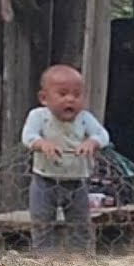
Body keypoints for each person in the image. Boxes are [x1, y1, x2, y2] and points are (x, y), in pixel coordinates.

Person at [21, 64, 111, 253]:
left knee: (79, 223)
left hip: (77, 181)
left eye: (77, 95)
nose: (70, 99)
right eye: (62, 94)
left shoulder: (84, 118)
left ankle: (79, 258)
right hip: (44, 180)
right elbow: (28, 136)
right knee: (42, 222)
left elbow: (103, 135)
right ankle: (45, 257)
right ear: (44, 98)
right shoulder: (38, 116)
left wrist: (92, 142)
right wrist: (42, 144)